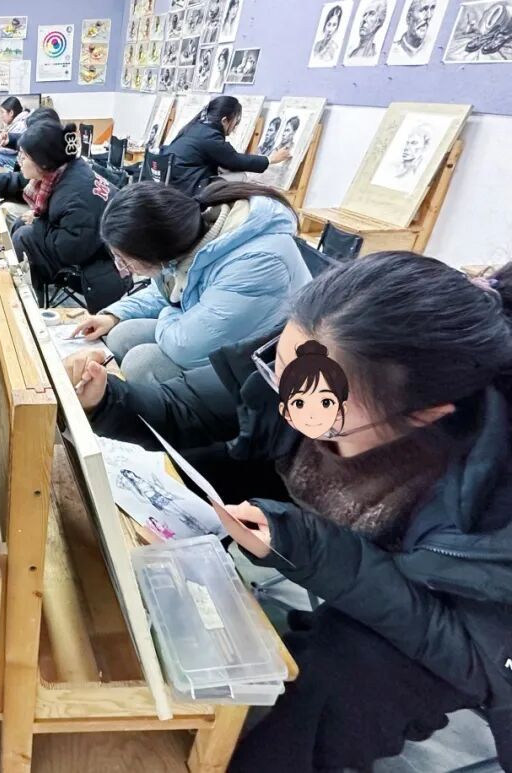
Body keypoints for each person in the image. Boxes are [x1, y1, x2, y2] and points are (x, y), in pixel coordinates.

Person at [70, 253, 512, 773]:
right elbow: (191, 408)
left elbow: (479, 660)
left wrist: (307, 546)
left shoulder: (489, 502)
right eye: (281, 372)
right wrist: (109, 400)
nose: (287, 403)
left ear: (423, 417)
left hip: (445, 632)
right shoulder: (314, 360)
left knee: (326, 688)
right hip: (347, 550)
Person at [71, 181, 310, 386]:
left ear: (154, 249)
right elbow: (167, 290)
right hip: (227, 339)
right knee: (122, 334)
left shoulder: (257, 262)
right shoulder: (192, 237)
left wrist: (172, 308)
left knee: (142, 364)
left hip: (270, 371)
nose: (123, 269)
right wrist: (115, 315)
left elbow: (186, 348)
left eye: (125, 260)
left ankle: (151, 420)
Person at [7, 120, 128, 311]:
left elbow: (70, 250)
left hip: (102, 264)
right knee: (22, 224)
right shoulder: (67, 169)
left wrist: (39, 222)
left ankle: (30, 305)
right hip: (90, 242)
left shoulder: (72, 196)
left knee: (23, 236)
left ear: (42, 162)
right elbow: (19, 181)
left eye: (24, 156)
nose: (19, 160)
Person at [165, 96, 291, 197]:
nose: (235, 127)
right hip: (187, 190)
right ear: (224, 121)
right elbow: (235, 160)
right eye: (236, 122)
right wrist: (271, 159)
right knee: (240, 177)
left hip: (175, 184)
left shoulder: (196, 127)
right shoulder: (210, 136)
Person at [0, 107, 59, 231]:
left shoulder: (56, 172)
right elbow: (19, 180)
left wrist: (39, 221)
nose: (22, 157)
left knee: (10, 213)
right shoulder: (50, 154)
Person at [0, 96, 31, 169]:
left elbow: (12, 150)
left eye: (2, 112)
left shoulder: (20, 125)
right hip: (17, 157)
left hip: (18, 159)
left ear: (11, 113)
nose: (1, 116)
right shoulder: (14, 123)